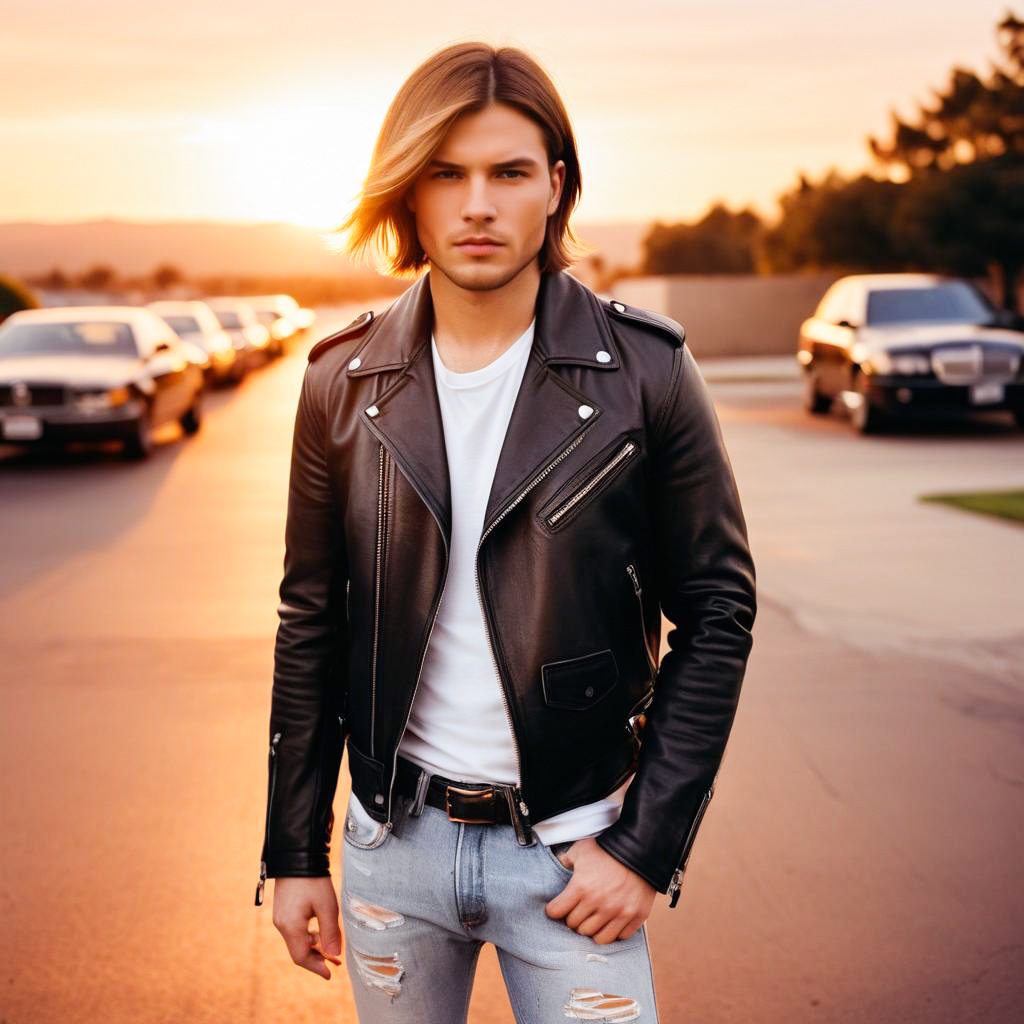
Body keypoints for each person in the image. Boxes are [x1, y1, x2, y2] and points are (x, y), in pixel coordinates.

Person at [255, 41, 757, 1023]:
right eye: (445, 173)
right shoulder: (340, 382)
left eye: (508, 171)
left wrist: (644, 848)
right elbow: (309, 620)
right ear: (406, 192)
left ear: (554, 186)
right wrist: (290, 855)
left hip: (573, 859)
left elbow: (718, 610)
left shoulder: (644, 373)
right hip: (390, 852)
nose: (476, 204)